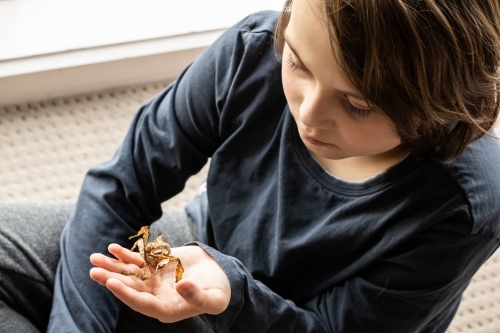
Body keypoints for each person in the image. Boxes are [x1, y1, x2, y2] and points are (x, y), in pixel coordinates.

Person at [1, 0, 499, 332]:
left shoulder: (467, 202)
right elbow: (121, 184)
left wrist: (235, 294)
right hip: (199, 255)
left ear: (441, 102)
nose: (308, 114)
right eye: (299, 64)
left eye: (358, 104)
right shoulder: (254, 50)